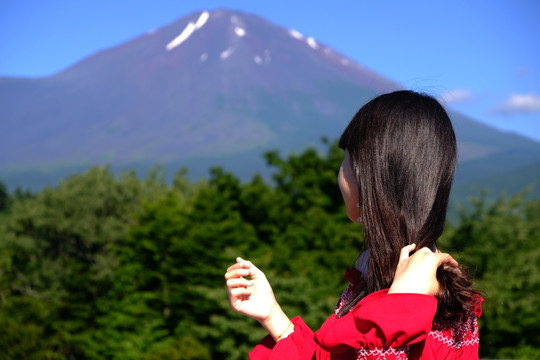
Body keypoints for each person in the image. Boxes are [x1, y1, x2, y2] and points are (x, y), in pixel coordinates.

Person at [225, 90, 483, 359]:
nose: (340, 172)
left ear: (368, 173)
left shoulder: (420, 298)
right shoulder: (397, 275)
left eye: (345, 158)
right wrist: (273, 317)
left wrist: (399, 307)